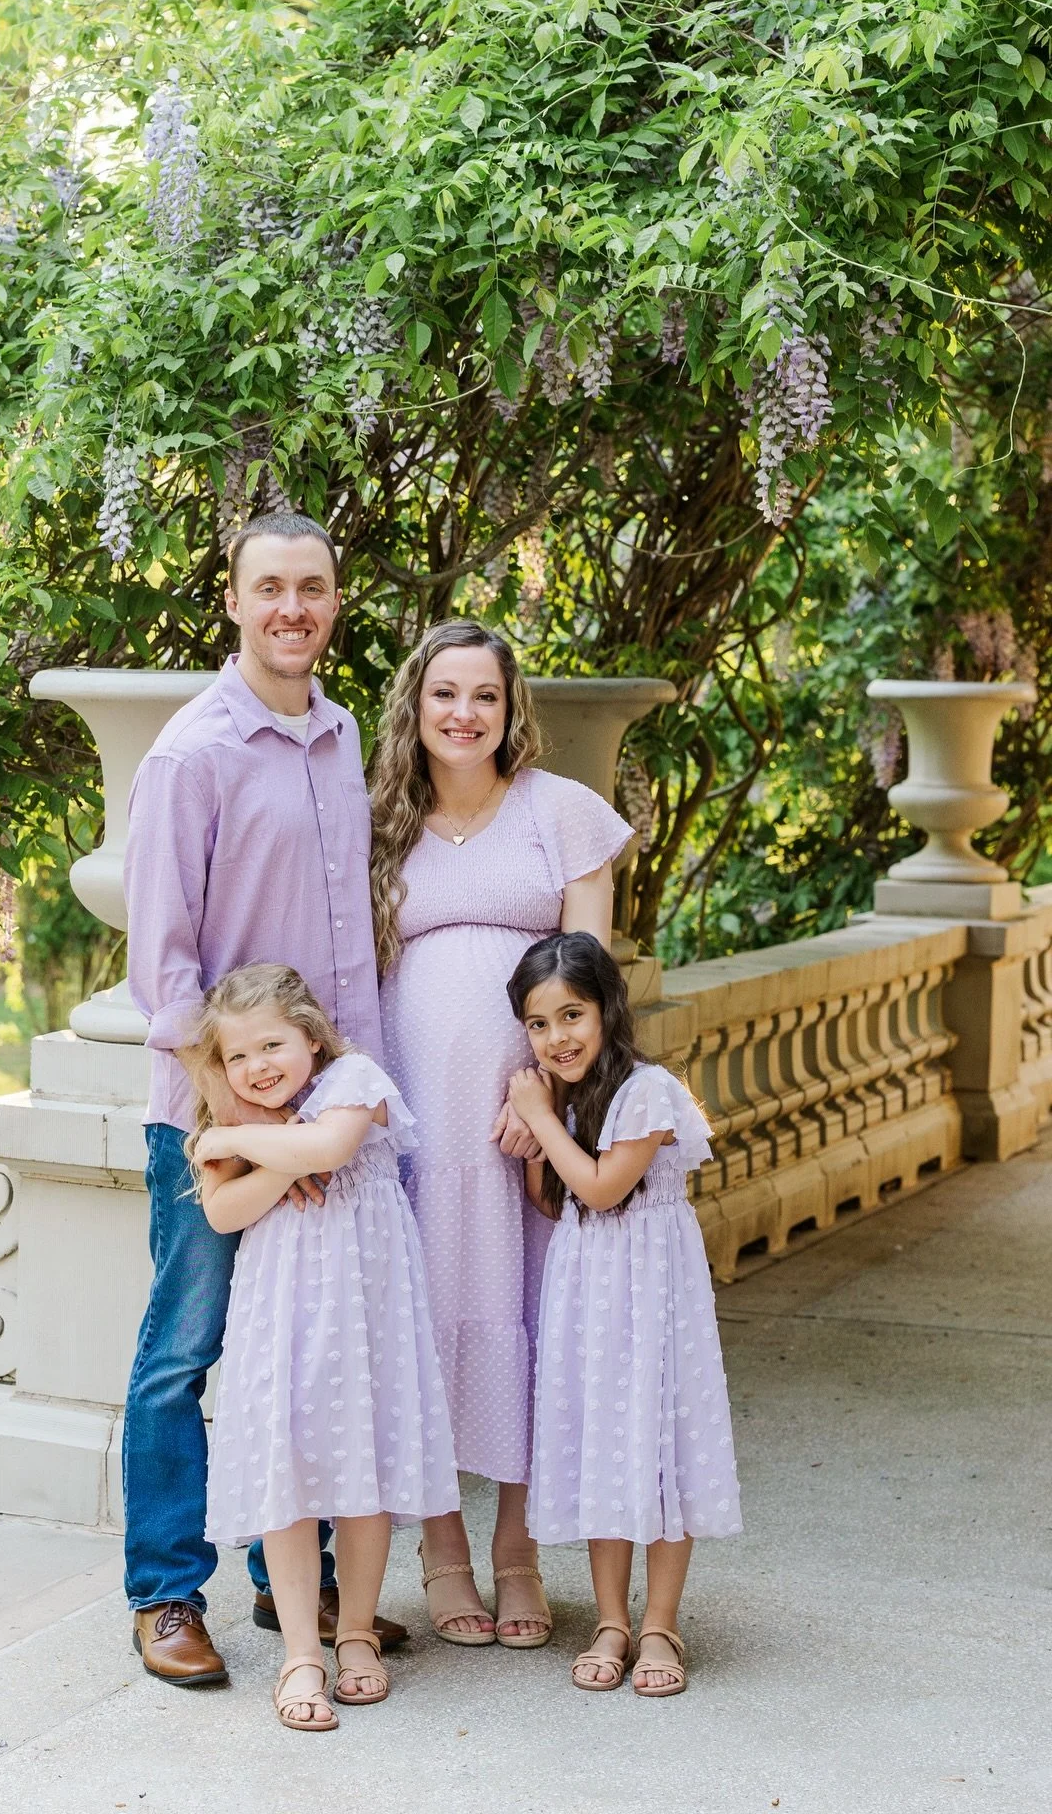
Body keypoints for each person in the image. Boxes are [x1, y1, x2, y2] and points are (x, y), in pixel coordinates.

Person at [122, 510, 405, 1686]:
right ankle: (166, 1591)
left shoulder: (342, 739)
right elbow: (165, 973)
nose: (293, 607)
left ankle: (297, 1593)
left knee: (313, 1352)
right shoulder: (191, 754)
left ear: (336, 601)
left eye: (315, 587)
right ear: (232, 602)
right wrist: (245, 1125)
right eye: (270, 587)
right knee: (186, 1353)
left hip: (327, 1113)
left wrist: (348, 1111)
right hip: (217, 1119)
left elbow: (349, 963)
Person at [372, 620, 633, 1648]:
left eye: (483, 695)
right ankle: (443, 1553)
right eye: (445, 695)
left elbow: (589, 981)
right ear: (417, 705)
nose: (463, 715)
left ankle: (518, 1552)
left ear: (509, 706)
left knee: (534, 1322)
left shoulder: (563, 815)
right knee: (426, 1319)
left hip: (526, 1126)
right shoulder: (381, 824)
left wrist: (548, 1099)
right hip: (415, 1124)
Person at [189, 964, 458, 1731]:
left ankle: (359, 1635)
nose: (257, 1067)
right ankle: (301, 1650)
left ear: (309, 1035)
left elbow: (334, 1150)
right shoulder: (252, 1111)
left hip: (366, 1311)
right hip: (283, 1313)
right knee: (289, 1466)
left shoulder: (356, 1078)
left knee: (362, 1472)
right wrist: (278, 1156)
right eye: (238, 1057)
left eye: (272, 1044)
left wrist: (239, 1138)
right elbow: (222, 1211)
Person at [506, 931, 742, 1698]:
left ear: (607, 1008)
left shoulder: (648, 1089)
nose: (556, 1038)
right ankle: (612, 1620)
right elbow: (558, 1199)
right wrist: (541, 1133)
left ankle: (662, 1624)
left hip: (653, 1291)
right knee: (607, 1443)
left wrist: (538, 1117)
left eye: (570, 1015)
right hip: (588, 1291)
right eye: (538, 1025)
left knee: (661, 1443)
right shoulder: (565, 1096)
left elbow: (605, 1188)